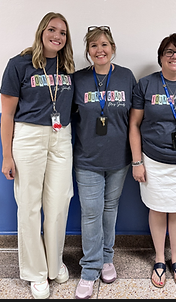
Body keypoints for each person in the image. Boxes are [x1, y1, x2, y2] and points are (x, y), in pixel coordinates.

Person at [0, 12, 75, 299]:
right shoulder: (19, 64)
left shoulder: (67, 67)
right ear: (42, 30)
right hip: (29, 136)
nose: (57, 36)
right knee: (29, 206)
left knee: (58, 203)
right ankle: (35, 272)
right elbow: (7, 114)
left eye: (63, 33)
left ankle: (54, 264)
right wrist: (7, 156)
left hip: (61, 136)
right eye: (52, 29)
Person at [129, 33, 176, 289]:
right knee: (157, 207)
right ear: (161, 57)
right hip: (153, 160)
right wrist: (137, 161)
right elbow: (134, 125)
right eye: (169, 52)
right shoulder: (145, 84)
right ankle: (160, 260)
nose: (175, 56)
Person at [72, 26, 136, 299]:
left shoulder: (126, 76)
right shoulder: (78, 79)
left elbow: (135, 119)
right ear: (88, 51)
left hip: (118, 159)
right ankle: (89, 270)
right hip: (87, 159)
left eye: (105, 44)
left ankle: (106, 258)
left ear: (113, 48)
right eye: (94, 45)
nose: (100, 50)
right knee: (91, 212)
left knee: (110, 209)